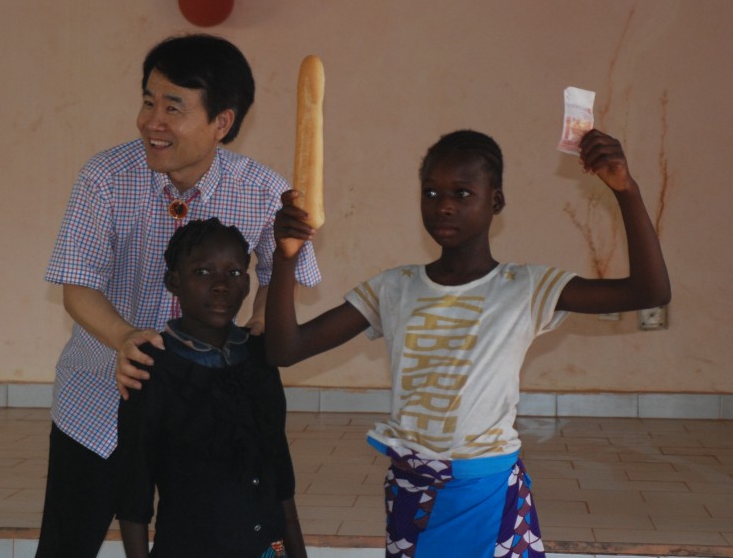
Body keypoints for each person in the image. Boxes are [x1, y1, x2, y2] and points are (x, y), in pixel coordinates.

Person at [265, 129, 670, 558]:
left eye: (462, 193)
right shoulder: (394, 288)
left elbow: (650, 291)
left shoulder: (525, 286)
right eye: (431, 192)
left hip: (487, 489)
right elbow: (285, 350)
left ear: (495, 201)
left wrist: (626, 190)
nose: (443, 205)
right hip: (413, 491)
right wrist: (285, 257)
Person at [38, 33, 320, 558]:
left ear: (221, 122)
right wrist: (126, 338)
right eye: (148, 102)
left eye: (173, 107)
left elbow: (278, 278)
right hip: (100, 403)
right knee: (65, 546)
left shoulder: (262, 191)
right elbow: (78, 286)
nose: (152, 122)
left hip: (205, 419)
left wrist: (258, 330)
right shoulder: (104, 178)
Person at [116, 218, 306, 558]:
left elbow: (280, 474)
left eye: (233, 273)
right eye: (203, 272)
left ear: (247, 284)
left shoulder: (259, 356)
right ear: (174, 281)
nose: (220, 285)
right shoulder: (150, 365)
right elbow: (134, 492)